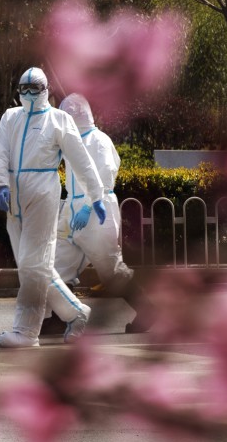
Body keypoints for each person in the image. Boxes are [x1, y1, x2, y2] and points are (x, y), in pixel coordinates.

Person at [0, 67, 107, 348]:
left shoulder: (59, 120)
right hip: (14, 197)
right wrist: (1, 184)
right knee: (32, 266)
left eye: (34, 88)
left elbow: (81, 160)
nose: (28, 94)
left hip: (43, 193)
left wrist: (96, 196)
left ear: (45, 90)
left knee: (33, 265)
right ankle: (77, 313)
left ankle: (26, 332)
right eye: (24, 88)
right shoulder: (10, 117)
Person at [46, 93, 155, 334]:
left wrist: (87, 205)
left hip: (96, 212)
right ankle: (61, 317)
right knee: (59, 265)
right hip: (73, 211)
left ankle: (147, 310)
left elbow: (104, 177)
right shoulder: (72, 143)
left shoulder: (98, 141)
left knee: (111, 272)